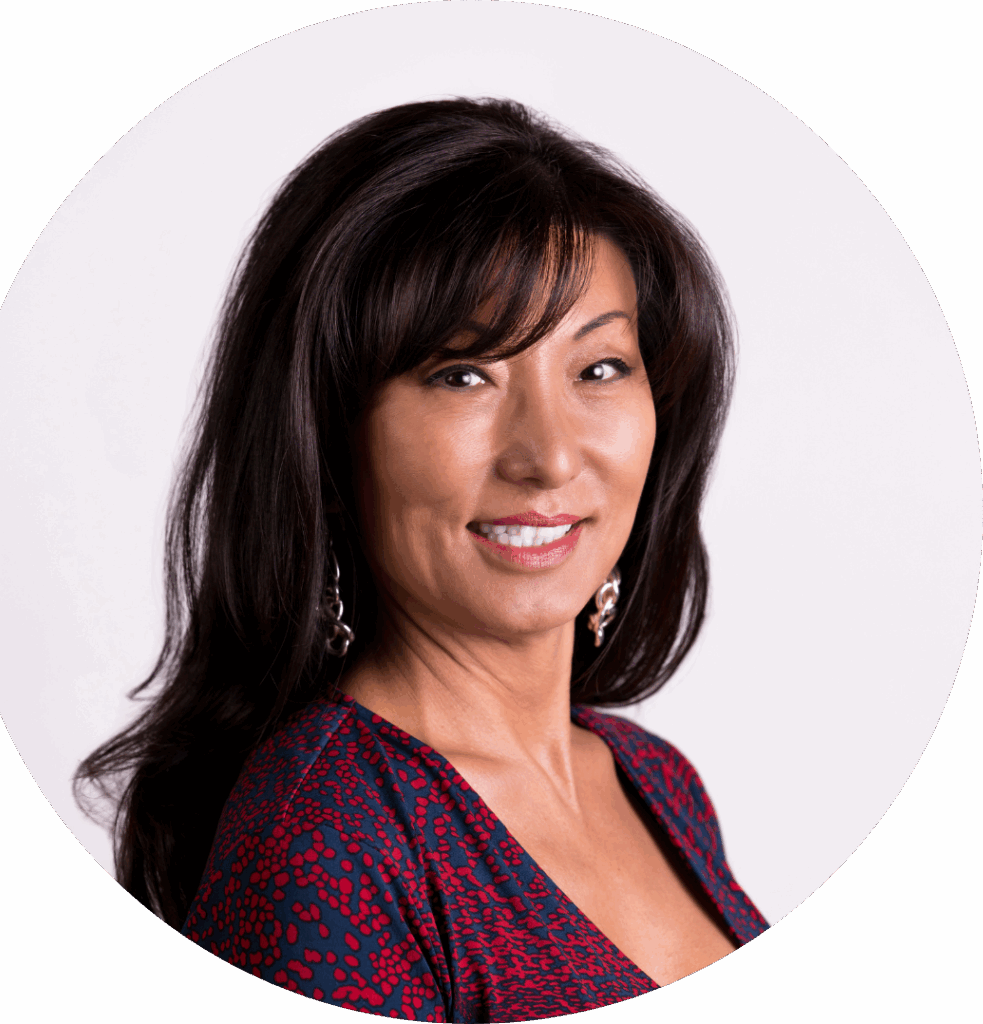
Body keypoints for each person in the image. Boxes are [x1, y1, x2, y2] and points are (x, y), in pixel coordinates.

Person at [77, 97, 768, 1021]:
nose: (551, 456)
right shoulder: (328, 839)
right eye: (463, 374)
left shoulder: (654, 779)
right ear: (323, 442)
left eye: (598, 368)